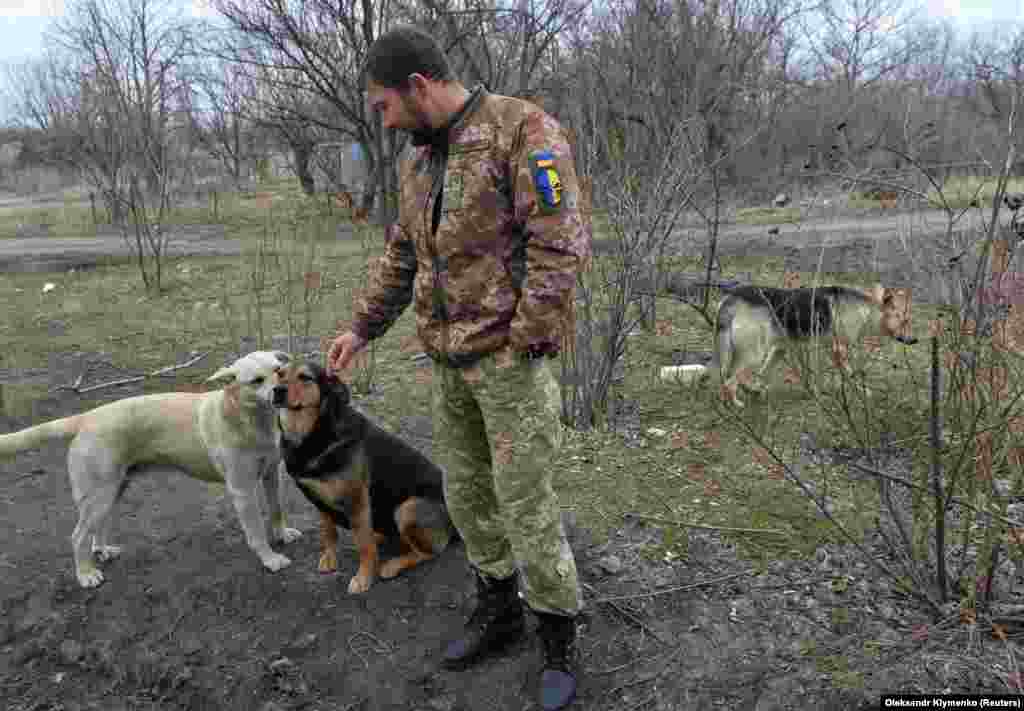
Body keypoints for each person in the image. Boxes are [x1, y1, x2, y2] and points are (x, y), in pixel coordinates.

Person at [326, 24, 590, 711]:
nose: (382, 121)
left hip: (509, 364)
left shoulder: (521, 130)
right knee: (470, 496)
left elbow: (560, 244)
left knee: (526, 500)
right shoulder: (419, 162)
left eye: (384, 106)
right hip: (448, 364)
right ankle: (498, 608)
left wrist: (522, 340)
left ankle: (558, 630)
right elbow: (402, 256)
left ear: (418, 86)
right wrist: (361, 327)